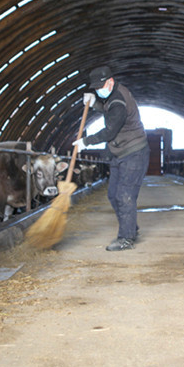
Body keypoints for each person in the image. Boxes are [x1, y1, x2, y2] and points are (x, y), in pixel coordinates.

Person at [73, 66, 149, 251]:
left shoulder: (118, 100)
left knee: (124, 195)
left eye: (100, 87)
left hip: (134, 153)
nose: (99, 90)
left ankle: (126, 239)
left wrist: (86, 141)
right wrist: (95, 104)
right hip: (119, 152)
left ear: (110, 82)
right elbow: (110, 111)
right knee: (113, 194)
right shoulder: (113, 96)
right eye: (96, 88)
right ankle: (131, 228)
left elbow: (110, 131)